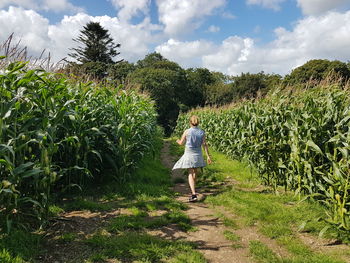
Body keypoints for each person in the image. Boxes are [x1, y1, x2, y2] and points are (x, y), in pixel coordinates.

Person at [173, 115, 212, 202]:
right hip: (198, 154)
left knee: (190, 173)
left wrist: (177, 141)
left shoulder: (187, 132)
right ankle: (193, 188)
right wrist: (208, 156)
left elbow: (181, 143)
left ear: (190, 122)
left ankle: (193, 194)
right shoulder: (202, 132)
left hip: (189, 154)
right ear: (198, 122)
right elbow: (204, 145)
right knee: (195, 171)